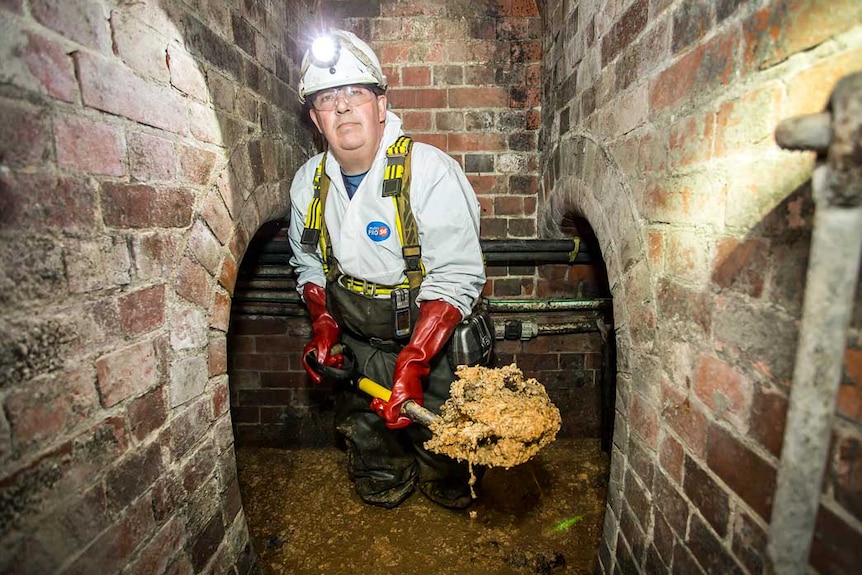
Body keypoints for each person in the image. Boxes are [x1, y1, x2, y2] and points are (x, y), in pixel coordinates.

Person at [287, 29, 486, 509]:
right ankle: (384, 474)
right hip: (358, 333)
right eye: (327, 99)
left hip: (428, 336)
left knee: (444, 434)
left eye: (355, 92)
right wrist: (324, 324)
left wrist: (414, 361)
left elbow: (458, 274)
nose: (342, 107)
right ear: (315, 118)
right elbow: (308, 262)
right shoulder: (308, 183)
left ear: (380, 105)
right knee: (367, 422)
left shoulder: (428, 170)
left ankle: (445, 480)